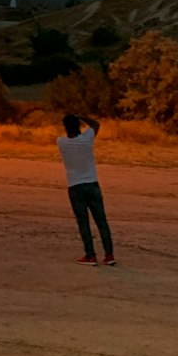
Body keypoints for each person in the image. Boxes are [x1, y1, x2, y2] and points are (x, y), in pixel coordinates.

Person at [57, 113, 115, 266]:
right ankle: (109, 255)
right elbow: (96, 124)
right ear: (78, 126)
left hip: (75, 186)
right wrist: (81, 115)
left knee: (83, 223)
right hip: (92, 184)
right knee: (101, 221)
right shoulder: (86, 139)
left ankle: (90, 255)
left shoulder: (61, 142)